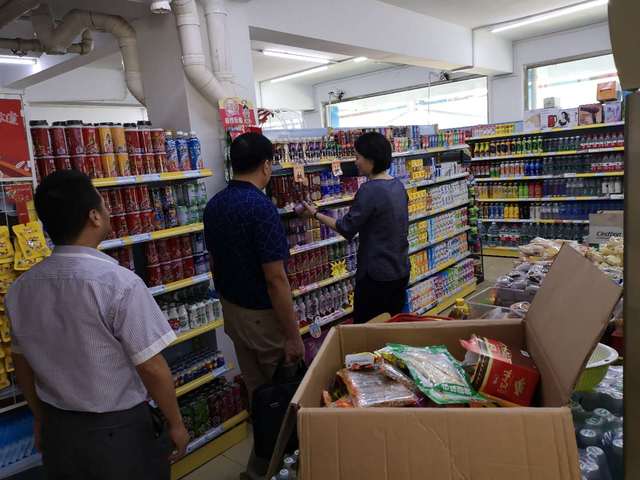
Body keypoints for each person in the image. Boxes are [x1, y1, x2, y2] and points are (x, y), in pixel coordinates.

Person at [6, 170, 189, 480]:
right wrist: (176, 423)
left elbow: (21, 364)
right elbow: (151, 367)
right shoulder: (119, 283)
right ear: (94, 216)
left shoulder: (21, 289)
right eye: (104, 204)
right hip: (117, 433)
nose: (108, 210)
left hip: (59, 430)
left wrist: (40, 418)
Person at [203, 132, 305, 479]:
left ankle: (260, 466)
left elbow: (214, 262)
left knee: (259, 394)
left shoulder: (215, 205)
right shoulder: (261, 208)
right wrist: (292, 335)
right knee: (285, 397)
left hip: (233, 312)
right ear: (266, 165)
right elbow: (276, 279)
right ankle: (283, 465)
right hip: (263, 319)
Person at [301, 131, 409, 324]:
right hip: (400, 269)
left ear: (371, 160)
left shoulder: (369, 190)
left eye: (358, 157)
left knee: (367, 330)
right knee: (393, 324)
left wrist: (316, 214)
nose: (355, 162)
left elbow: (346, 228)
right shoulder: (398, 186)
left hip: (376, 276)